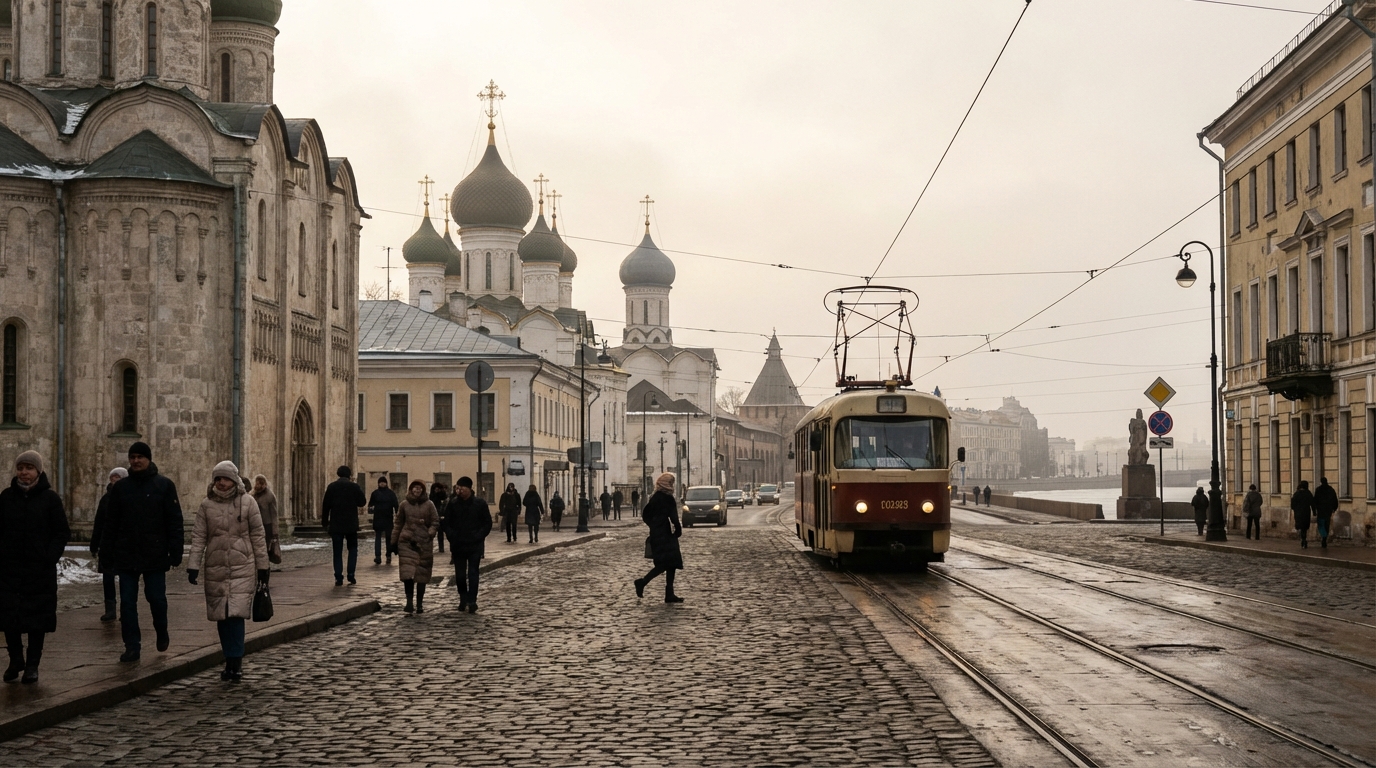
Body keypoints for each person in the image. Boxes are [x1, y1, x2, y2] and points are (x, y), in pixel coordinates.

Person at [186, 461, 268, 683]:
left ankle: (236, 662)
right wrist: (193, 565)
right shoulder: (206, 505)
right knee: (221, 616)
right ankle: (229, 659)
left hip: (242, 566)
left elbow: (258, 537)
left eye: (225, 479)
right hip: (216, 566)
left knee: (235, 615)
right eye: (217, 479)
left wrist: (263, 568)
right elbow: (199, 537)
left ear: (234, 480)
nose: (221, 483)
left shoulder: (248, 503)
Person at [103, 441, 184, 663]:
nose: (136, 461)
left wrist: (175, 551)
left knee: (156, 598)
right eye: (132, 457)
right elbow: (111, 523)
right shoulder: (121, 488)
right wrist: (106, 553)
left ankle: (162, 629)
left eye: (140, 457)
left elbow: (174, 521)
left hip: (154, 554)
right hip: (126, 554)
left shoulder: (164, 486)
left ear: (148, 459)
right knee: (127, 603)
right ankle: (132, 645)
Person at [0, 451, 70, 684]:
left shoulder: (50, 499)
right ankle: (15, 659)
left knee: (36, 620)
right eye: (21, 468)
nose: (24, 472)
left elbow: (61, 532)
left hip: (39, 570)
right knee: (9, 617)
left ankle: (32, 665)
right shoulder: (7, 497)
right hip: (10, 569)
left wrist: (49, 557)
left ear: (38, 471)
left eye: (29, 468)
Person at [443, 477, 492, 613]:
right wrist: (452, 536)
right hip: (458, 545)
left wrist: (478, 536)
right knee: (459, 575)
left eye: (462, 488)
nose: (460, 491)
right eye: (458, 488)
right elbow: (447, 523)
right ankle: (463, 597)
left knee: (473, 573)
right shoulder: (453, 504)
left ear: (469, 488)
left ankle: (472, 600)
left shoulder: (480, 504)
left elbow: (487, 523)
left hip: (474, 545)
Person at [634, 472, 684, 603]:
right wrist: (678, 529)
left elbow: (646, 514)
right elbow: (673, 516)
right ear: (668, 484)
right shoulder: (668, 498)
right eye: (672, 483)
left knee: (668, 564)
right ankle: (643, 582)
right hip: (666, 535)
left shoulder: (654, 497)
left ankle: (669, 594)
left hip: (656, 534)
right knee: (667, 564)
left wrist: (653, 525)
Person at [392, 480, 439, 614]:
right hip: (407, 543)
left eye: (419, 488)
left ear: (423, 490)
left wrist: (430, 533)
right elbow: (398, 524)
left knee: (421, 575)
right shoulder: (404, 505)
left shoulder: (429, 505)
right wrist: (393, 542)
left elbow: (435, 521)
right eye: (415, 488)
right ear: (411, 490)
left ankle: (419, 604)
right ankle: (409, 602)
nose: (417, 491)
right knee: (407, 574)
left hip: (424, 544)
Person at [90, 467, 128, 622]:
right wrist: (94, 544)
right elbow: (99, 523)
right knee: (107, 578)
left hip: (125, 544)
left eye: (118, 477)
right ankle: (110, 609)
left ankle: (127, 608)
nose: (114, 480)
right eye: (113, 477)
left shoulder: (130, 496)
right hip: (107, 545)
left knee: (126, 579)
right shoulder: (105, 499)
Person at [321, 465, 366, 586]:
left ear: (338, 474)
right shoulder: (354, 487)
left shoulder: (332, 487)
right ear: (349, 475)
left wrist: (325, 522)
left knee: (337, 551)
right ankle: (351, 574)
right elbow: (362, 502)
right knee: (352, 549)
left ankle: (338, 577)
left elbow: (326, 505)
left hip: (336, 523)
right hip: (351, 523)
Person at [250, 475, 281, 567]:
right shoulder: (252, 494)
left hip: (266, 525)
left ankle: (264, 565)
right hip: (254, 524)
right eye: (257, 483)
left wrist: (275, 531)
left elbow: (274, 514)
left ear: (264, 484)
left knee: (265, 547)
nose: (258, 485)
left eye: (260, 483)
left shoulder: (270, 496)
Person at [368, 477, 398, 566]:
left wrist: (397, 514)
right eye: (380, 482)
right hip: (378, 518)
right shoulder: (375, 493)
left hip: (388, 518)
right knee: (378, 538)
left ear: (386, 483)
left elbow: (396, 505)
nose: (382, 484)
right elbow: (370, 505)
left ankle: (388, 555)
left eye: (383, 482)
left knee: (388, 538)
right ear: (378, 483)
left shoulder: (391, 493)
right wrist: (371, 509)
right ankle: (378, 556)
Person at [1314, 476, 1338, 549]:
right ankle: (1325, 537)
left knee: (1321, 524)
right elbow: (1335, 499)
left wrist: (1315, 509)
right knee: (1327, 524)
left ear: (1321, 482)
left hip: (1321, 510)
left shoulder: (1318, 489)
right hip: (1328, 510)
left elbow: (1315, 500)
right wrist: (1334, 508)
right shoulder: (1331, 489)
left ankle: (1323, 537)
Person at [1291, 479, 1314, 549]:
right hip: (1306, 512)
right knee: (1305, 527)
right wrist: (1314, 511)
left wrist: (1295, 509)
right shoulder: (1308, 493)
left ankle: (1302, 539)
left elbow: (1292, 504)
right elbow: (1312, 503)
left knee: (1300, 526)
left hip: (1298, 512)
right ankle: (1304, 539)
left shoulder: (1297, 493)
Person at [429, 482, 449, 554]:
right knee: (432, 532)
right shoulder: (432, 497)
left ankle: (441, 548)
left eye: (438, 489)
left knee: (442, 532)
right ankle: (432, 547)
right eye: (435, 489)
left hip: (442, 517)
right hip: (433, 517)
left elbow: (446, 506)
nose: (436, 490)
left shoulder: (444, 497)